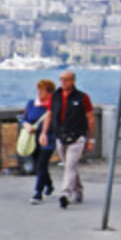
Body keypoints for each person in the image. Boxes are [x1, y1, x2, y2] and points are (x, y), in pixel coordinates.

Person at [43, 70, 96, 210]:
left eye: (66, 79)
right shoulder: (55, 96)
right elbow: (49, 114)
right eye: (61, 79)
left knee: (70, 166)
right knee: (69, 166)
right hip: (60, 136)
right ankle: (78, 190)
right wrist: (44, 133)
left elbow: (90, 118)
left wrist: (91, 139)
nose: (63, 82)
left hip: (77, 137)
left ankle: (65, 194)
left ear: (73, 81)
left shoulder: (82, 97)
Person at [21, 78, 56, 204]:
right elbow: (24, 118)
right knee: (39, 164)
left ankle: (38, 192)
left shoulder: (54, 106)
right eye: (38, 90)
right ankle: (49, 184)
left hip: (48, 139)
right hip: (33, 139)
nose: (39, 93)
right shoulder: (32, 104)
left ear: (49, 93)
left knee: (42, 164)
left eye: (42, 91)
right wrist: (26, 125)